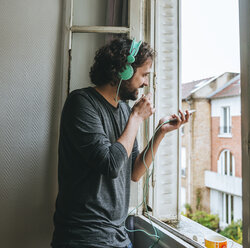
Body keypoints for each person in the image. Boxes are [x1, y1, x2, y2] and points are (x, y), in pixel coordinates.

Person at [51, 37, 190, 248]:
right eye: (143, 74)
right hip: (84, 237)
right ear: (123, 70)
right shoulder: (81, 103)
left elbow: (134, 171)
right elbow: (110, 165)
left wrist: (160, 133)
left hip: (117, 235)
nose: (145, 83)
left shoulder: (125, 110)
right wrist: (136, 117)